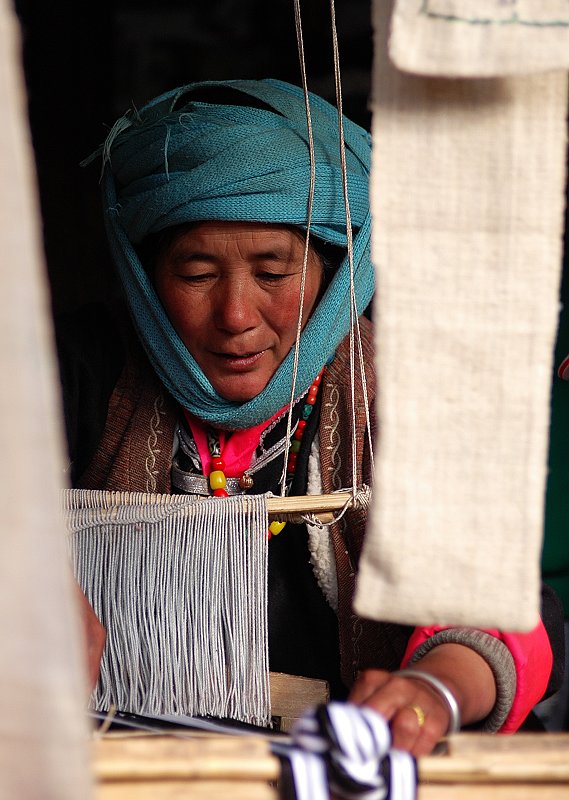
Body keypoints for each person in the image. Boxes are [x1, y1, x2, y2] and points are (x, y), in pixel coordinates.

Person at [58, 78, 562, 756]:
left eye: (273, 273)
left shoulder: (408, 388)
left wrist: (433, 691)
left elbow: (498, 610)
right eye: (197, 273)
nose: (236, 317)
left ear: (332, 271)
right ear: (147, 278)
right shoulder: (79, 371)